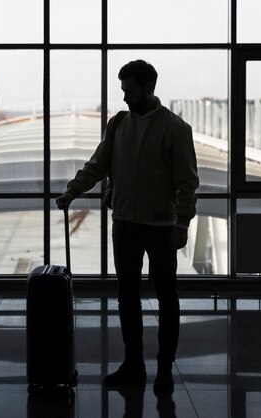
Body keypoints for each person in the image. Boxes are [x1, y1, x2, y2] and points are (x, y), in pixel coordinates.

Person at [56, 59, 199, 394]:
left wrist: (182, 223)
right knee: (127, 295)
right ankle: (133, 363)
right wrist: (73, 190)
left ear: (148, 89)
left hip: (161, 226)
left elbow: (187, 182)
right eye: (123, 90)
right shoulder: (118, 124)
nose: (124, 97)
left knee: (166, 296)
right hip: (124, 222)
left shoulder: (175, 129)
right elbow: (98, 164)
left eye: (130, 91)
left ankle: (164, 367)